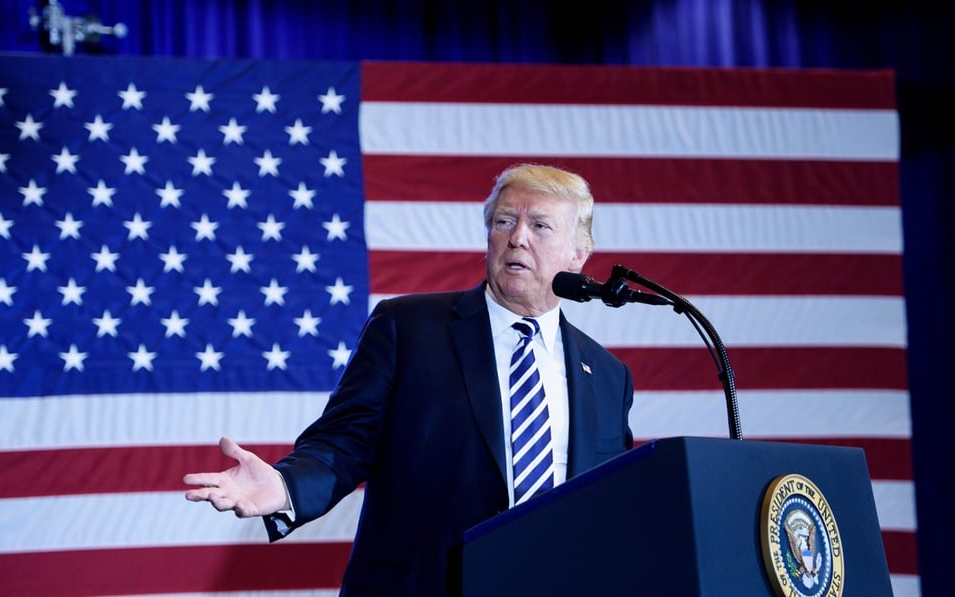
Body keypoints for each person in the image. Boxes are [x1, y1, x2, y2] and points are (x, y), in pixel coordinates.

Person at [183, 163, 634, 596]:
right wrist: (285, 487)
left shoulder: (608, 377)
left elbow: (610, 504)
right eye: (504, 221)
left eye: (539, 226)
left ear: (578, 254)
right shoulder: (410, 328)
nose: (517, 238)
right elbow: (343, 442)